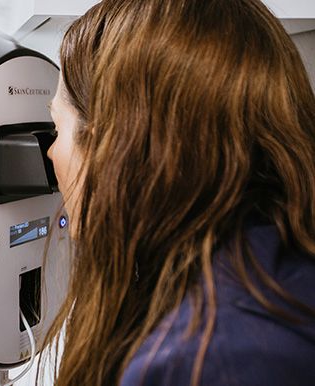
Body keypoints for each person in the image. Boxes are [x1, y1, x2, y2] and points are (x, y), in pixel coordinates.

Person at [41, 0, 315, 385]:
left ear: (115, 148)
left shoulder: (193, 361)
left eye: (56, 128)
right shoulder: (279, 264)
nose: (51, 153)